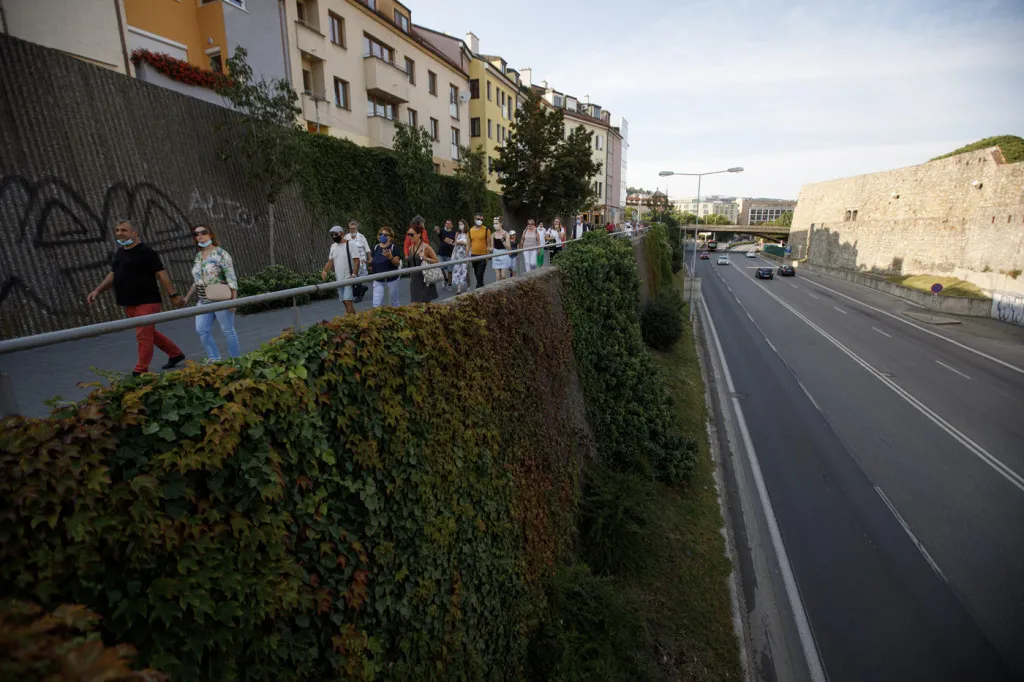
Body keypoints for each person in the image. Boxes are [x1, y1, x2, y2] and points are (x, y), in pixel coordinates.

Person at [86, 219, 185, 376]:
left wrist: (173, 294)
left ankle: (140, 370)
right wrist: (97, 291)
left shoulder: (146, 251)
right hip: (129, 302)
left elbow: (161, 273)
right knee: (148, 332)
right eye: (117, 230)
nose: (119, 233)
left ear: (135, 233)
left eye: (124, 230)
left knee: (143, 336)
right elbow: (112, 275)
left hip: (147, 301)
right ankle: (175, 354)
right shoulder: (120, 253)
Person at [183, 224, 240, 361]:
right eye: (196, 234)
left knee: (227, 330)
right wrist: (186, 297)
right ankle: (215, 359)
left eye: (203, 232)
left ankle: (237, 360)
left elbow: (231, 277)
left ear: (210, 234)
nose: (200, 235)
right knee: (201, 330)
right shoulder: (198, 256)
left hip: (221, 298)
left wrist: (234, 301)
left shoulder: (221, 254)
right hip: (203, 299)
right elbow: (197, 280)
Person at [321, 225, 360, 316]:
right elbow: (330, 261)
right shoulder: (333, 246)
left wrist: (354, 275)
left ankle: (349, 320)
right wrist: (325, 271)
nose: (334, 236)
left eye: (336, 234)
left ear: (342, 234)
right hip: (339, 279)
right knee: (344, 301)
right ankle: (354, 318)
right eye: (332, 235)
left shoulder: (350, 244)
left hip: (348, 277)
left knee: (348, 300)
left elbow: (356, 260)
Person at [369, 226, 402, 307]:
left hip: (391, 280)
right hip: (378, 279)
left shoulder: (393, 247)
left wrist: (390, 257)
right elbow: (373, 260)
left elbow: (397, 264)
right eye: (381, 234)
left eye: (385, 235)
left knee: (394, 302)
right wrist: (369, 263)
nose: (382, 236)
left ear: (391, 237)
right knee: (376, 303)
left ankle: (396, 314)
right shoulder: (376, 247)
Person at [408, 222, 439, 303]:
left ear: (419, 235)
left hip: (425, 278)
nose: (409, 237)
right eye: (408, 235)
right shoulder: (410, 248)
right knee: (415, 304)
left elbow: (436, 260)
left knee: (426, 304)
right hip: (414, 280)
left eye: (411, 235)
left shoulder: (426, 247)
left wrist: (425, 258)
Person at [345, 219, 371, 302]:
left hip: (361, 261)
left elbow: (367, 249)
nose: (352, 230)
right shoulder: (346, 237)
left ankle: (359, 296)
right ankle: (361, 290)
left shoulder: (361, 237)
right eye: (350, 228)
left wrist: (370, 260)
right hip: (351, 262)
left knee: (360, 278)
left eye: (354, 228)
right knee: (353, 278)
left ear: (356, 228)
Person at [468, 211, 491, 289]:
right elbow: (468, 244)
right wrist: (466, 256)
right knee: (476, 274)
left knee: (479, 274)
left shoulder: (486, 230)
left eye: (481, 220)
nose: (480, 221)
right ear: (474, 219)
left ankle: (478, 289)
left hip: (483, 256)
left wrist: (487, 257)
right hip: (473, 255)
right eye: (478, 219)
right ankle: (481, 288)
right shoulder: (470, 230)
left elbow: (489, 245)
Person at [434, 219, 457, 289]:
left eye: (449, 224)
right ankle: (445, 278)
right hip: (441, 254)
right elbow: (438, 232)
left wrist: (452, 242)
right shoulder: (442, 231)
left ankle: (450, 284)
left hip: (450, 255)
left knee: (450, 271)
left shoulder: (454, 233)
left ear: (452, 225)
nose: (447, 225)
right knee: (440, 268)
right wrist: (436, 229)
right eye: (446, 223)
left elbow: (455, 243)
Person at [452, 220, 470, 293]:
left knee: (465, 271)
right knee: (457, 271)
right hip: (458, 254)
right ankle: (459, 289)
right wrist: (454, 242)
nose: (460, 226)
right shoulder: (457, 234)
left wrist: (461, 242)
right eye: (459, 224)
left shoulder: (468, 233)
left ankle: (469, 286)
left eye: (461, 224)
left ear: (465, 225)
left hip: (465, 254)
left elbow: (469, 244)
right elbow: (455, 243)